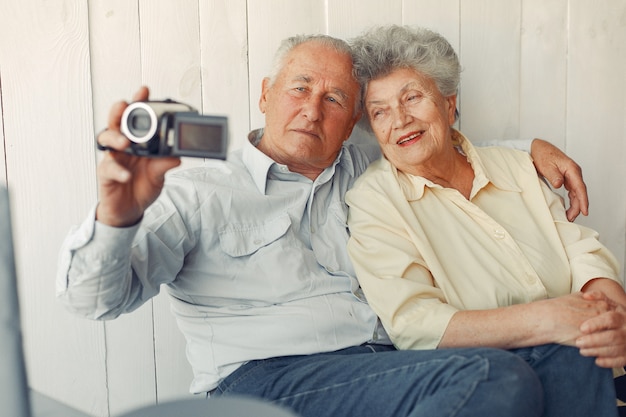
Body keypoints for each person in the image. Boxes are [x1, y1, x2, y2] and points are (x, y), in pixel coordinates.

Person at [58, 33, 588, 417]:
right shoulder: (196, 194)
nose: (312, 110)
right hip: (267, 379)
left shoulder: (370, 172)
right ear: (266, 94)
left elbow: (435, 149)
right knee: (488, 373)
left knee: (575, 349)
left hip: (386, 367)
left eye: (334, 99)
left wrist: (528, 151)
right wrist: (116, 213)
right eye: (299, 88)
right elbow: (93, 301)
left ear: (354, 119)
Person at [346, 25, 624, 417]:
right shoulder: (375, 201)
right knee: (573, 350)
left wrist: (614, 319)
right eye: (380, 112)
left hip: (591, 355)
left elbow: (582, 252)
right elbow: (414, 323)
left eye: (413, 97)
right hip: (491, 378)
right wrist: (548, 320)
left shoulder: (516, 167)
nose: (400, 119)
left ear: (448, 104)